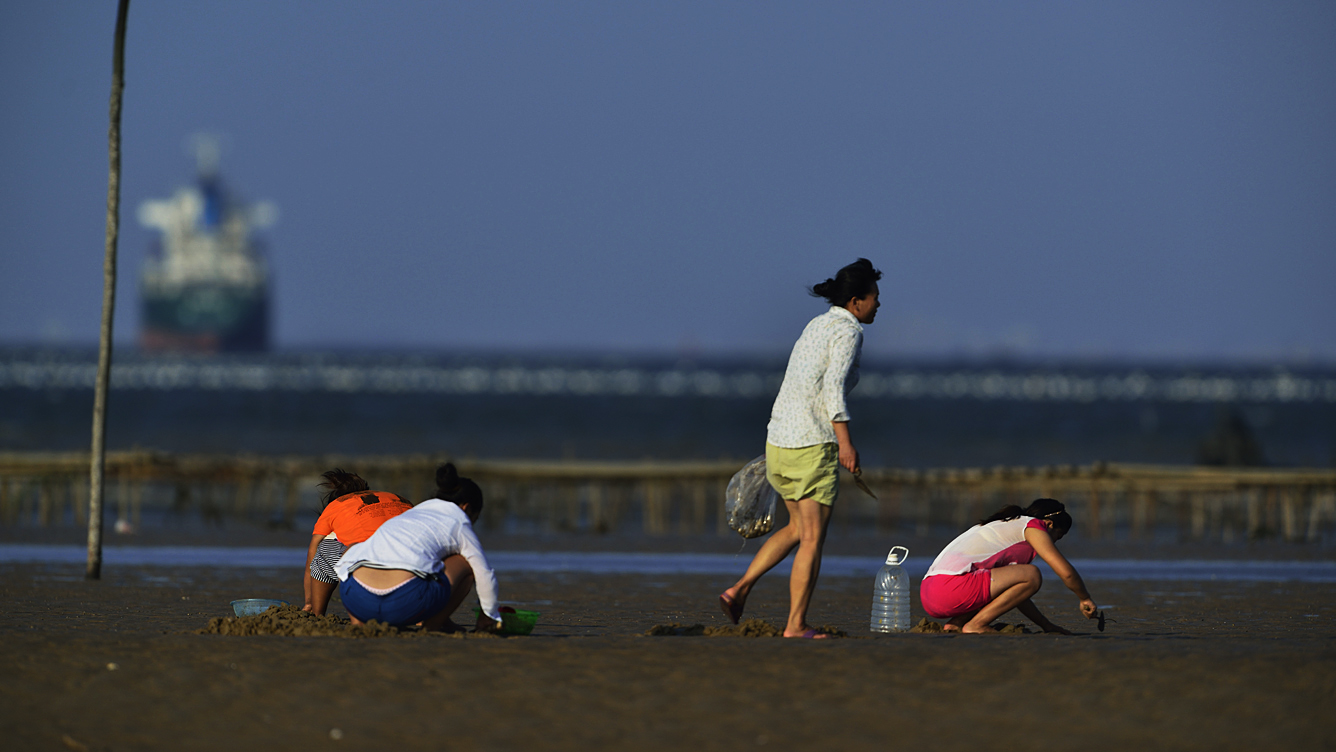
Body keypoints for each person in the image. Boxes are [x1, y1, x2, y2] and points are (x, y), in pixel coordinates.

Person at [718, 258, 881, 638]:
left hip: (780, 442)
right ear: (856, 301)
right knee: (812, 537)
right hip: (811, 445)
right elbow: (832, 390)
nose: (878, 305)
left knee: (797, 529)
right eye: (875, 298)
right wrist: (846, 443)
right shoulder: (848, 331)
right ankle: (795, 625)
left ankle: (737, 589)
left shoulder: (817, 324)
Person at [335, 463, 503, 632]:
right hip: (403, 603)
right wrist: (489, 614)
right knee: (466, 563)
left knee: (356, 550)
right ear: (466, 508)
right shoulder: (459, 520)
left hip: (356, 599)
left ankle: (358, 623)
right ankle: (435, 624)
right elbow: (484, 573)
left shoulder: (411, 514)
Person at [920, 498, 1099, 634]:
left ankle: (956, 623)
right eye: (1057, 537)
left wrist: (1047, 626)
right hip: (951, 589)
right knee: (1033, 574)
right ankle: (976, 625)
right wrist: (1085, 598)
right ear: (1049, 524)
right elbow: (1065, 573)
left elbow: (1015, 593)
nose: (1054, 542)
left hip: (929, 593)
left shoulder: (1003, 524)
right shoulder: (1032, 526)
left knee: (1024, 576)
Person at [303, 469, 413, 615]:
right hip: (412, 561)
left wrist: (308, 601)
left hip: (368, 567)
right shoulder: (397, 498)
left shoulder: (336, 505)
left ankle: (317, 613)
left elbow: (312, 553)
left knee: (324, 547)